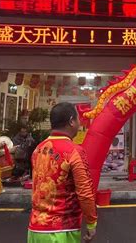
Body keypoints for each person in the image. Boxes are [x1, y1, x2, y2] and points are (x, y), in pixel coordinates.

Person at [28, 102, 97, 243]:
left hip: (35, 230)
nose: (79, 123)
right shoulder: (74, 151)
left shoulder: (38, 149)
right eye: (78, 119)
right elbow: (85, 192)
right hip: (61, 232)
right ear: (71, 121)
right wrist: (91, 222)